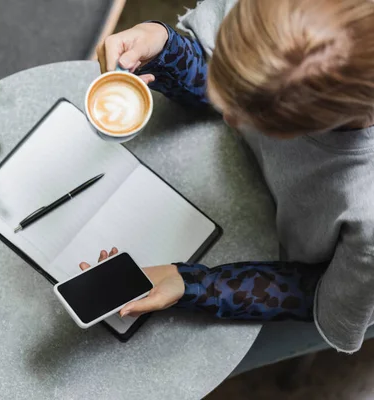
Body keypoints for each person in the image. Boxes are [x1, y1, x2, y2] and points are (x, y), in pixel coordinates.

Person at [80, 0, 374, 354]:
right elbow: (211, 72)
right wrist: (163, 44)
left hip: (285, 270)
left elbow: (324, 298)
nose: (228, 117)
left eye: (251, 114)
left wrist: (196, 286)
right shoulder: (283, 16)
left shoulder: (365, 211)